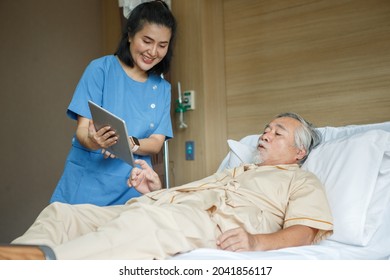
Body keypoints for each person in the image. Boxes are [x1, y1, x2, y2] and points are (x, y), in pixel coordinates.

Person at [0, 112, 333, 260]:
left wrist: (255, 241)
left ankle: (42, 268)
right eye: (266, 128)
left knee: (145, 224)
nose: (265, 134)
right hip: (165, 208)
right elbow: (190, 200)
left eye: (278, 132)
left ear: (299, 151)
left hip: (217, 223)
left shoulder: (303, 180)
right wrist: (156, 191)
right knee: (62, 214)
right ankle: (14, 261)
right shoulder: (239, 169)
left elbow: (304, 232)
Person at [50, 0, 177, 206]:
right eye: (147, 41)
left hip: (133, 185)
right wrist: (94, 141)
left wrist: (131, 143)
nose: (153, 51)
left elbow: (156, 142)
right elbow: (83, 129)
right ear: (129, 35)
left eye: (162, 45)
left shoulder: (162, 88)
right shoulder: (100, 69)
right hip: (86, 184)